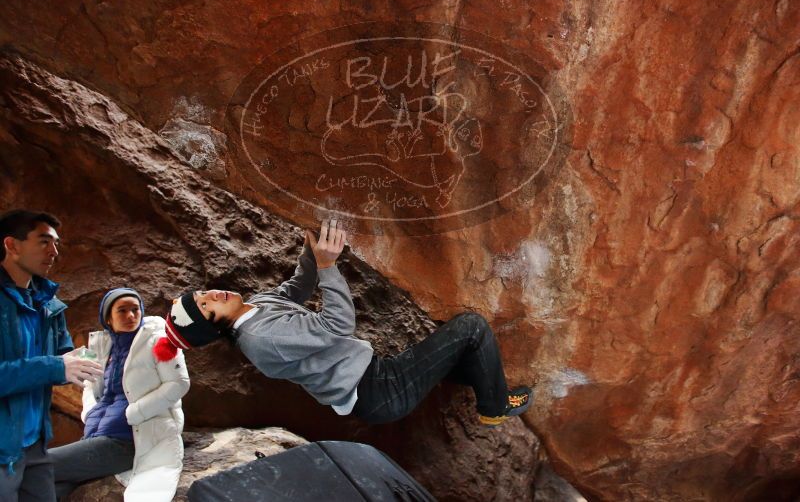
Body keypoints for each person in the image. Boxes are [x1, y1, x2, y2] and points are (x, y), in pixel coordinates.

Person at [155, 219, 531, 427]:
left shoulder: (254, 308)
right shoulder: (261, 338)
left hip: (377, 376)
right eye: (208, 309)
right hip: (379, 392)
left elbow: (296, 289)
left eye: (203, 296)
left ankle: (487, 382)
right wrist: (327, 265)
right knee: (471, 327)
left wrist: (310, 248)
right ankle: (494, 407)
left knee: (458, 356)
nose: (213, 297)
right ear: (216, 327)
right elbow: (336, 327)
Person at [0, 209, 103, 502]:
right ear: (12, 245)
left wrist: (98, 361)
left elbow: (64, 355)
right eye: (44, 242)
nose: (54, 251)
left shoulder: (49, 304)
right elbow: (55, 365)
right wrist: (56, 367)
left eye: (56, 243)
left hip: (35, 445)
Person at [50, 288, 190, 501]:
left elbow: (178, 384)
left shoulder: (160, 341)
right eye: (122, 311)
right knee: (51, 489)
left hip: (130, 440)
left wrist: (134, 413)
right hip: (97, 435)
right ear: (108, 318)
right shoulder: (104, 347)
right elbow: (90, 386)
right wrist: (89, 413)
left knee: (38, 466)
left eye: (135, 310)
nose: (131, 316)